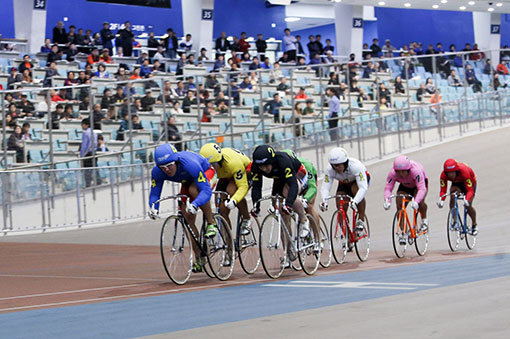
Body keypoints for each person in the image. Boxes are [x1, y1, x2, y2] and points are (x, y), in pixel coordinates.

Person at [148, 144, 219, 272]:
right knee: (188, 221)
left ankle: (211, 223)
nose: (167, 170)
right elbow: (154, 193)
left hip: (206, 171)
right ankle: (199, 257)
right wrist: (154, 207)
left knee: (194, 189)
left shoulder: (190, 164)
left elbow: (206, 190)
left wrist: (196, 203)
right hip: (186, 180)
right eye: (163, 168)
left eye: (169, 165)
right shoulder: (158, 172)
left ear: (176, 161)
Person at [251, 145, 310, 250]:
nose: (264, 169)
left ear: (272, 161)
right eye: (261, 167)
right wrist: (256, 206)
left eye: (266, 165)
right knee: (282, 215)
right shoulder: (255, 166)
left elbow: (293, 185)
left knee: (287, 193)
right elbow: (256, 187)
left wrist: (289, 204)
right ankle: (288, 251)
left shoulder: (283, 160)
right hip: (279, 178)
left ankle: (304, 219)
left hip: (298, 174)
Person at [200, 143, 253, 235]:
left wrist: (234, 200)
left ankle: (246, 219)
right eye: (207, 165)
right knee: (221, 208)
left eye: (213, 165)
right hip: (225, 174)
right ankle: (229, 242)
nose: (210, 168)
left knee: (232, 191)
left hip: (244, 170)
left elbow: (243, 186)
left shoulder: (233, 163)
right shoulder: (208, 166)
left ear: (219, 161)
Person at [319, 147, 370, 242]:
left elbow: (363, 188)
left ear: (345, 163)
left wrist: (355, 201)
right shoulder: (330, 170)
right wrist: (324, 201)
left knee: (356, 190)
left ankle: (361, 220)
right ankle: (347, 235)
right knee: (340, 204)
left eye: (338, 165)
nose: (336, 168)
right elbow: (325, 187)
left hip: (358, 181)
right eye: (334, 165)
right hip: (344, 183)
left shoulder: (355, 166)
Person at [383, 156, 429, 231]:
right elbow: (388, 188)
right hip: (405, 185)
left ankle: (424, 220)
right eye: (398, 171)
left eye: (403, 171)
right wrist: (387, 200)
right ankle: (403, 231)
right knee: (399, 204)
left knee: (420, 202)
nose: (400, 174)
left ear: (408, 170)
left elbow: (421, 189)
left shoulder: (416, 171)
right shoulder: (392, 173)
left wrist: (416, 202)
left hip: (419, 186)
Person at [437, 159, 478, 235]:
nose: (450, 175)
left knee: (468, 205)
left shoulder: (464, 172)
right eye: (448, 173)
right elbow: (443, 189)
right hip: (457, 184)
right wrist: (441, 199)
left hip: (470, 183)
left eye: (452, 172)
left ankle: (474, 224)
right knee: (452, 195)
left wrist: (467, 199)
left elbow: (470, 190)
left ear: (456, 171)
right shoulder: (443, 175)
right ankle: (455, 220)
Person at [79, 118, 99, 187]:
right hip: (94, 153)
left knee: (87, 171)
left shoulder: (85, 133)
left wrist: (82, 155)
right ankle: (97, 182)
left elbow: (84, 145)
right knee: (94, 168)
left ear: (86, 125)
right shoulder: (95, 133)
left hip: (88, 154)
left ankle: (88, 184)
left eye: (82, 125)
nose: (82, 126)